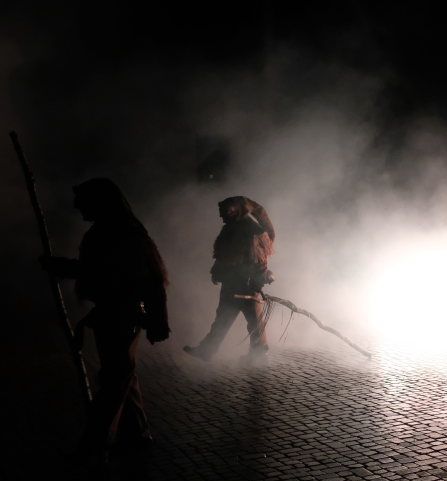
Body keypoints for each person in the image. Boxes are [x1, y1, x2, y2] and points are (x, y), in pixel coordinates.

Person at [40, 177, 170, 462]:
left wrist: (159, 320)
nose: (79, 209)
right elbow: (96, 270)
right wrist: (61, 266)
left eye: (83, 204)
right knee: (122, 375)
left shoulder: (124, 233)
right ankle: (137, 434)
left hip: (122, 315)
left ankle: (92, 447)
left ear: (100, 203)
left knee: (113, 381)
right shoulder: (108, 231)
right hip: (112, 313)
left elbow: (151, 279)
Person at [184, 196, 275, 362]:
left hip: (247, 287)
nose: (221, 215)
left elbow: (259, 258)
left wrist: (258, 280)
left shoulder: (251, 229)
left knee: (254, 323)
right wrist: (217, 271)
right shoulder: (232, 228)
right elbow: (225, 255)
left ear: (235, 210)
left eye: (224, 211)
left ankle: (259, 356)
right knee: (223, 320)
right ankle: (207, 351)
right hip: (233, 284)